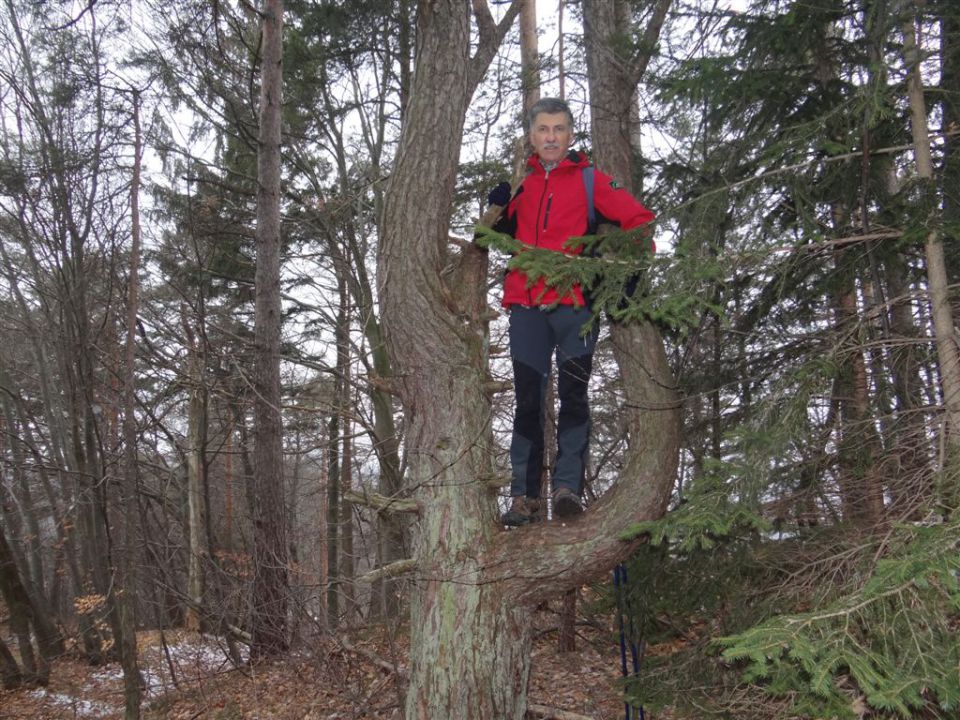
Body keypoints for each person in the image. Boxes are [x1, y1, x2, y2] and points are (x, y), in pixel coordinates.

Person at [489, 97, 655, 526]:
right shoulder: (521, 184)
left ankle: (566, 488)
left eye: (558, 129)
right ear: (531, 135)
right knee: (527, 401)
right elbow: (491, 236)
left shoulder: (590, 181)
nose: (550, 137)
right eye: (543, 129)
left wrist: (622, 274)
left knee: (574, 397)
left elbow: (640, 222)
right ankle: (523, 498)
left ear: (570, 135)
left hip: (575, 307)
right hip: (525, 307)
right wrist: (498, 209)